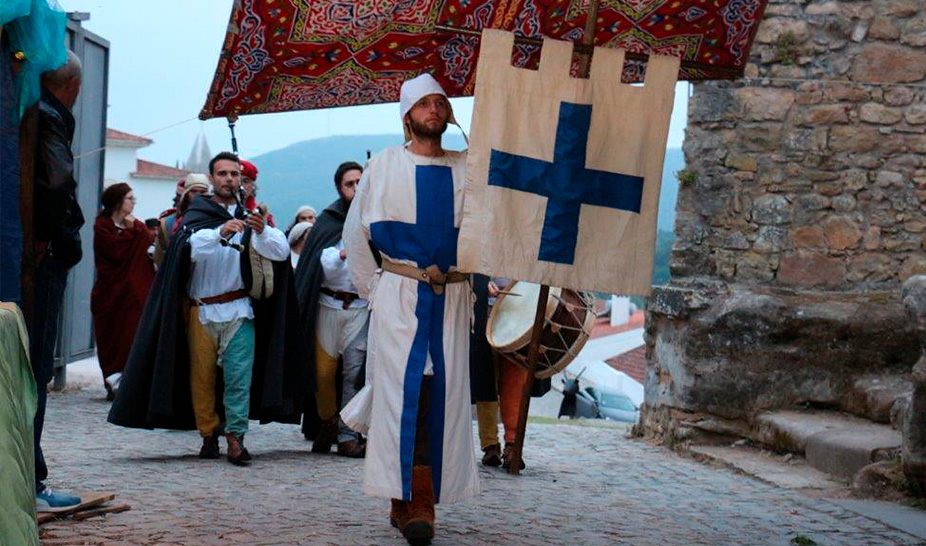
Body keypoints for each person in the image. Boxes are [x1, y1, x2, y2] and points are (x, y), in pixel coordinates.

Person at [341, 74, 477, 544]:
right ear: (407, 115)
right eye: (424, 104)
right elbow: (355, 241)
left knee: (441, 393)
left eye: (441, 103)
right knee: (402, 394)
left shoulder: (468, 168)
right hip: (400, 295)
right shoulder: (382, 167)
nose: (434, 110)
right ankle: (410, 499)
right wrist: (376, 292)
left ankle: (418, 497)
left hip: (453, 298)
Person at [108, 152, 308, 467]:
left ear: (241, 180)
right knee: (201, 378)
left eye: (234, 174)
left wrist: (260, 231)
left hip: (240, 309)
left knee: (239, 376)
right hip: (201, 310)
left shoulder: (252, 216)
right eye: (223, 173)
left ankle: (236, 438)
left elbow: (280, 252)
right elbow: (189, 248)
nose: (229, 179)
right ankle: (207, 434)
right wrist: (221, 232)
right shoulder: (197, 214)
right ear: (212, 178)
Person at [28, 51, 85, 510]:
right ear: (74, 87)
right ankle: (31, 479)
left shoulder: (31, 110)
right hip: (39, 261)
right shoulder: (48, 118)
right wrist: (53, 240)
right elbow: (56, 184)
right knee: (34, 368)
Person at [295, 161, 367, 458]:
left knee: (354, 374)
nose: (356, 188)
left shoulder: (375, 218)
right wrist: (344, 252)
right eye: (350, 184)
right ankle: (327, 422)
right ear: (340, 188)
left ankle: (349, 434)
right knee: (323, 373)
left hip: (361, 306)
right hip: (327, 304)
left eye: (361, 182)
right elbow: (321, 263)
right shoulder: (328, 220)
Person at [470, 275, 550, 470]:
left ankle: (513, 444)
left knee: (515, 378)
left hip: (521, 309)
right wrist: (482, 282)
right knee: (484, 376)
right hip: (484, 307)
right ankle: (490, 445)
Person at [91, 183, 155, 400]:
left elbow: (146, 248)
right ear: (118, 202)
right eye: (129, 197)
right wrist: (130, 231)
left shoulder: (136, 227)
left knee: (130, 337)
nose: (133, 201)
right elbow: (114, 252)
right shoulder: (102, 226)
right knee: (111, 338)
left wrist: (133, 229)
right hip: (110, 294)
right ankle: (112, 380)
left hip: (133, 295)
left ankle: (128, 383)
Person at [153, 174, 209, 267]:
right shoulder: (167, 223)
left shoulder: (218, 220)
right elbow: (159, 259)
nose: (198, 195)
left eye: (202, 192)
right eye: (194, 191)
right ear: (186, 194)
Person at [239, 159, 275, 227]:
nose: (241, 186)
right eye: (238, 181)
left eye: (245, 181)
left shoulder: (262, 213)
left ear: (253, 185)